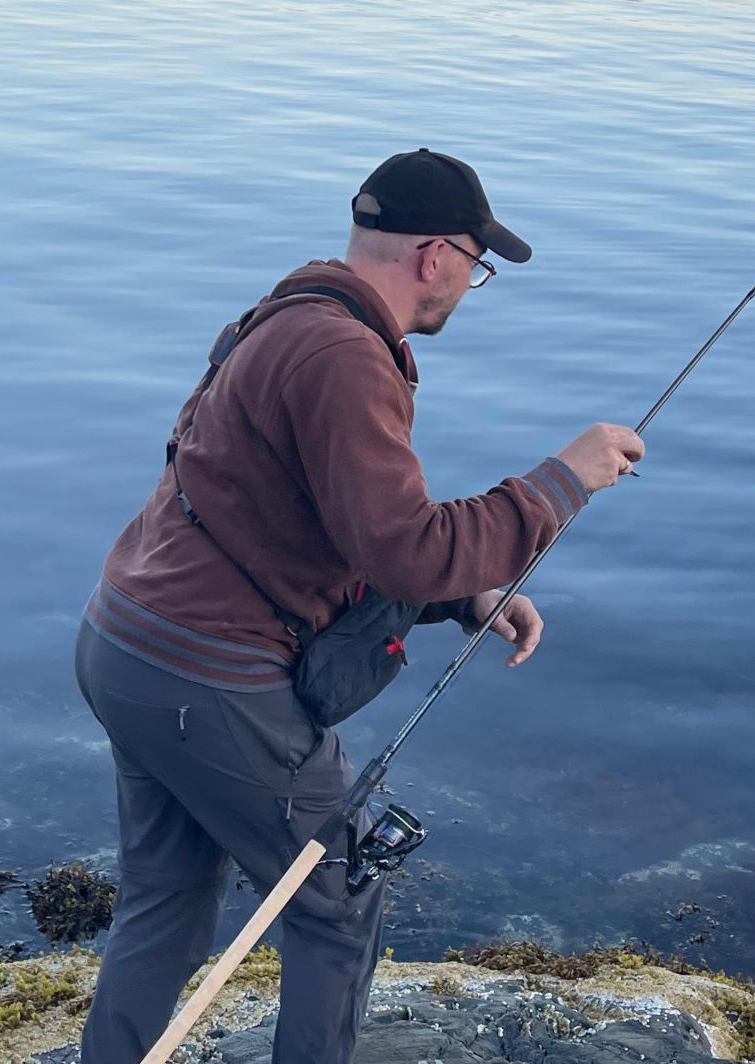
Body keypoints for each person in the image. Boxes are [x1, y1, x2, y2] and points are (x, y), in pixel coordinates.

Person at [71, 147, 645, 1064]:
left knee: (168, 904)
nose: (471, 281)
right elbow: (405, 542)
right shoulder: (343, 353)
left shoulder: (292, 317)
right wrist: (560, 483)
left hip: (127, 648)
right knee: (335, 899)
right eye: (477, 263)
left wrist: (465, 596)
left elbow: (314, 529)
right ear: (434, 255)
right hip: (207, 679)